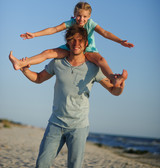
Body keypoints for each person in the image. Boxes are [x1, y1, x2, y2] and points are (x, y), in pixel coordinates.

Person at [16, 24, 127, 168]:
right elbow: (38, 78)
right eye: (72, 40)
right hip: (55, 123)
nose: (76, 43)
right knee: (42, 164)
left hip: (79, 126)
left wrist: (120, 86)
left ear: (86, 43)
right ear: (67, 42)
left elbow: (113, 91)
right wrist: (25, 70)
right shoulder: (57, 62)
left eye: (80, 40)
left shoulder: (94, 68)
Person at [9, 1, 133, 86]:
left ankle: (113, 78)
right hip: (71, 48)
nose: (81, 19)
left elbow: (105, 33)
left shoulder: (91, 24)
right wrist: (35, 34)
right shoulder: (70, 22)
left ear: (89, 17)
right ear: (75, 15)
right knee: (47, 53)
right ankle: (21, 63)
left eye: (85, 17)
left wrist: (120, 41)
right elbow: (54, 29)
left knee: (101, 60)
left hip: (89, 49)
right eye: (79, 16)